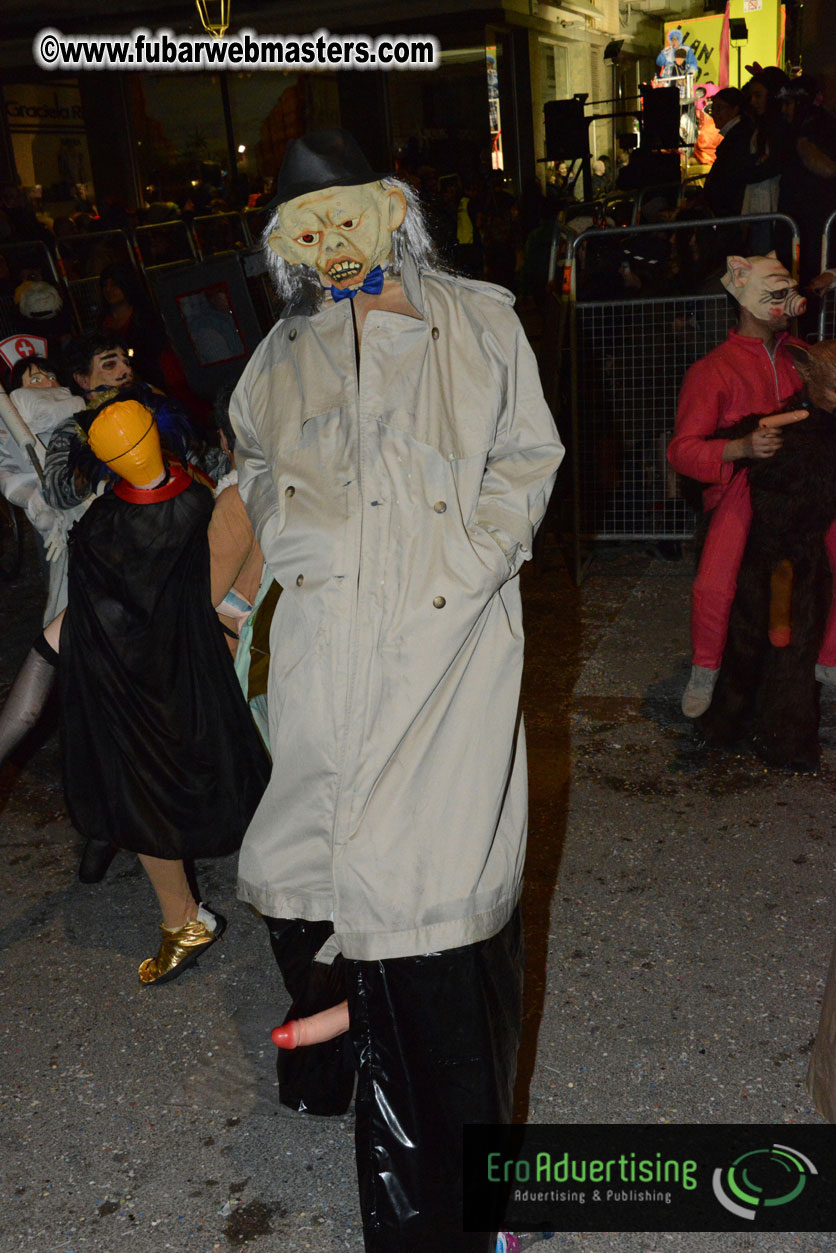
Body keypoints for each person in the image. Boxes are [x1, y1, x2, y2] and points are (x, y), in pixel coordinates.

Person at [229, 129, 564, 1250]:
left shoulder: (477, 320)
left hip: (445, 653)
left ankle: (457, 1209)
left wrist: (472, 558)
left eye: (344, 216)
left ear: (394, 210)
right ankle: (346, 1062)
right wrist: (289, 539)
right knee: (306, 873)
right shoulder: (281, 353)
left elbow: (529, 453)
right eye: (300, 231)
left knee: (438, 905)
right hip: (329, 656)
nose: (326, 243)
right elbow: (255, 459)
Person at [0, 393, 270, 982]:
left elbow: (117, 610)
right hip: (195, 672)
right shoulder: (208, 496)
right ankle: (193, 916)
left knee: (142, 792)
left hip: (155, 679)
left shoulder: (120, 521)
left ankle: (186, 919)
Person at [666, 252, 836, 717]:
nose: (790, 304)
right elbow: (681, 450)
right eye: (777, 295)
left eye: (789, 292)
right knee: (715, 580)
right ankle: (705, 668)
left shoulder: (800, 358)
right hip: (746, 491)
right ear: (745, 301)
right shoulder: (712, 371)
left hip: (804, 488)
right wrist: (739, 449)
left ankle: (830, 657)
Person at [0, 354, 86, 623]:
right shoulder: (14, 414)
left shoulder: (78, 411)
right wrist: (35, 501)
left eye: (51, 377)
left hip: (86, 499)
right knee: (61, 576)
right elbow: (9, 473)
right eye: (35, 379)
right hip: (49, 508)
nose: (47, 384)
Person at [703, 88, 755, 219]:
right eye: (712, 109)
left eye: (720, 108)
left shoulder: (739, 136)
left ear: (735, 109)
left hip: (731, 210)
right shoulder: (738, 133)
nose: (714, 113)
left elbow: (730, 175)